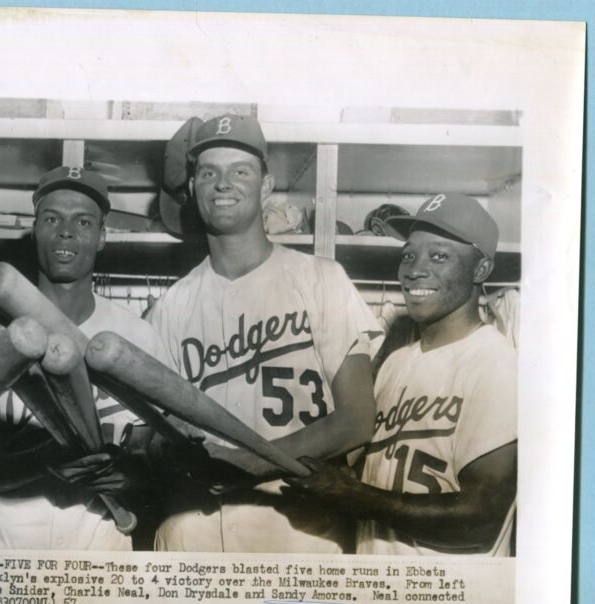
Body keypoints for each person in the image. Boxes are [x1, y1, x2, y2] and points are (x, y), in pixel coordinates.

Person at [148, 114, 383, 552]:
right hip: (194, 531)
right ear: (193, 188)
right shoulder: (167, 308)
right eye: (208, 172)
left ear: (267, 185)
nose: (223, 184)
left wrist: (252, 462)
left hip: (300, 529)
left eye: (241, 170)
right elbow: (155, 438)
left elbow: (357, 418)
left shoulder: (323, 280)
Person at [286, 193, 517, 556]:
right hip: (380, 589)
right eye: (408, 255)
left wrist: (351, 496)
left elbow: (482, 519)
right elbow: (359, 474)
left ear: (481, 270)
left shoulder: (496, 363)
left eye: (439, 256)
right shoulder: (394, 362)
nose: (413, 270)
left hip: (449, 600)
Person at [0, 166, 170, 550]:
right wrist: (42, 463)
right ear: (35, 230)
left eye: (84, 221)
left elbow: (151, 452)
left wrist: (131, 472)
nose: (66, 231)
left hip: (98, 552)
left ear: (102, 237)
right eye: (52, 218)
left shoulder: (138, 336)